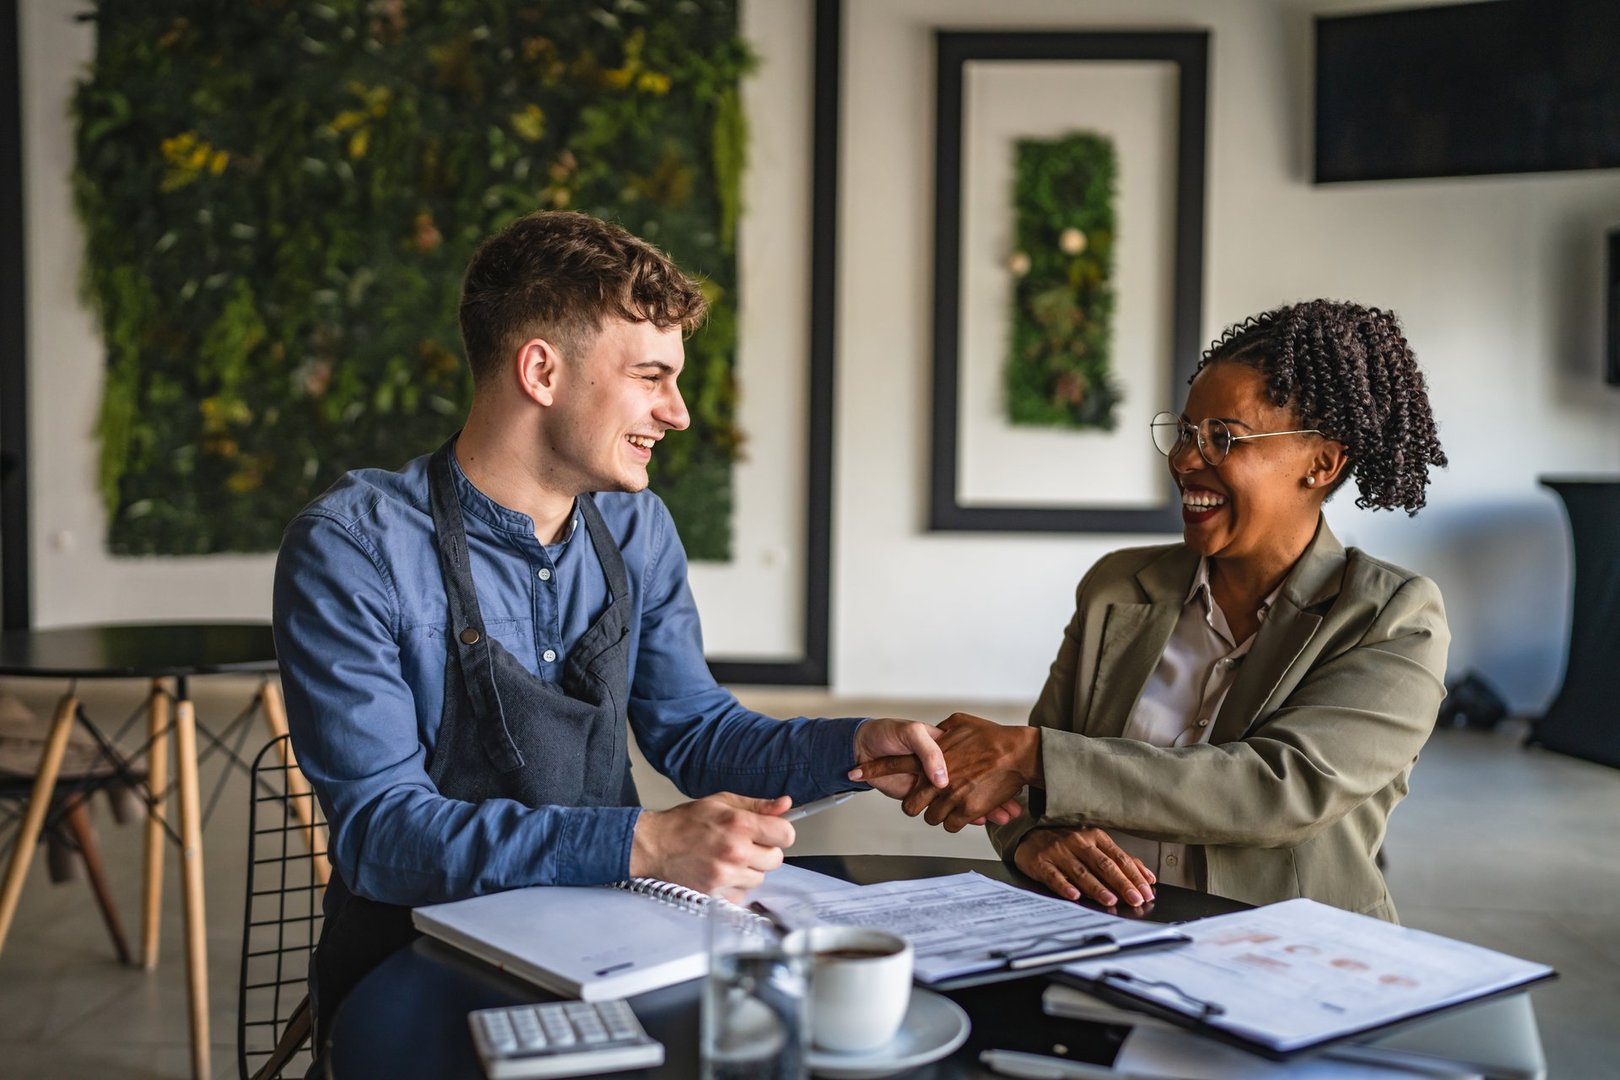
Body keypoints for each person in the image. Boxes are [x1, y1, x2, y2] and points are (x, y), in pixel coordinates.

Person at [273, 210, 1009, 1032]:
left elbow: (694, 732)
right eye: (652, 376)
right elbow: (382, 834)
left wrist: (852, 747)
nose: (679, 411)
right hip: (414, 973)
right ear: (542, 372)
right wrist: (643, 846)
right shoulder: (353, 546)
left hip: (611, 950)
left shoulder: (636, 528)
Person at [851, 300, 1449, 922]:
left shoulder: (1393, 618)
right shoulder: (1118, 586)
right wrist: (1032, 837)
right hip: (1100, 935)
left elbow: (1279, 789)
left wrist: (1031, 755)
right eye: (1187, 432)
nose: (1186, 459)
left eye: (1223, 438)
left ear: (1322, 463)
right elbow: (1026, 788)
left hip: (1290, 960)